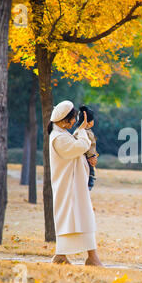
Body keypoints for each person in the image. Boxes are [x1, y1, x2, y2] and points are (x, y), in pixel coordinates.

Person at [47, 100, 103, 266]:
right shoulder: (58, 138)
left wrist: (80, 130)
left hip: (74, 186)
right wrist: (82, 129)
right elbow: (82, 146)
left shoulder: (62, 135)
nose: (74, 122)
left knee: (81, 218)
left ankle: (67, 256)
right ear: (64, 120)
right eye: (72, 119)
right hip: (68, 187)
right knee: (74, 218)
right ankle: (85, 257)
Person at [75, 105, 98, 191]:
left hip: (83, 157)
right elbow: (91, 146)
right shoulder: (87, 132)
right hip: (87, 157)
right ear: (88, 122)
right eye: (92, 120)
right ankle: (90, 182)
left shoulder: (79, 130)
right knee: (90, 170)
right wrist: (92, 156)